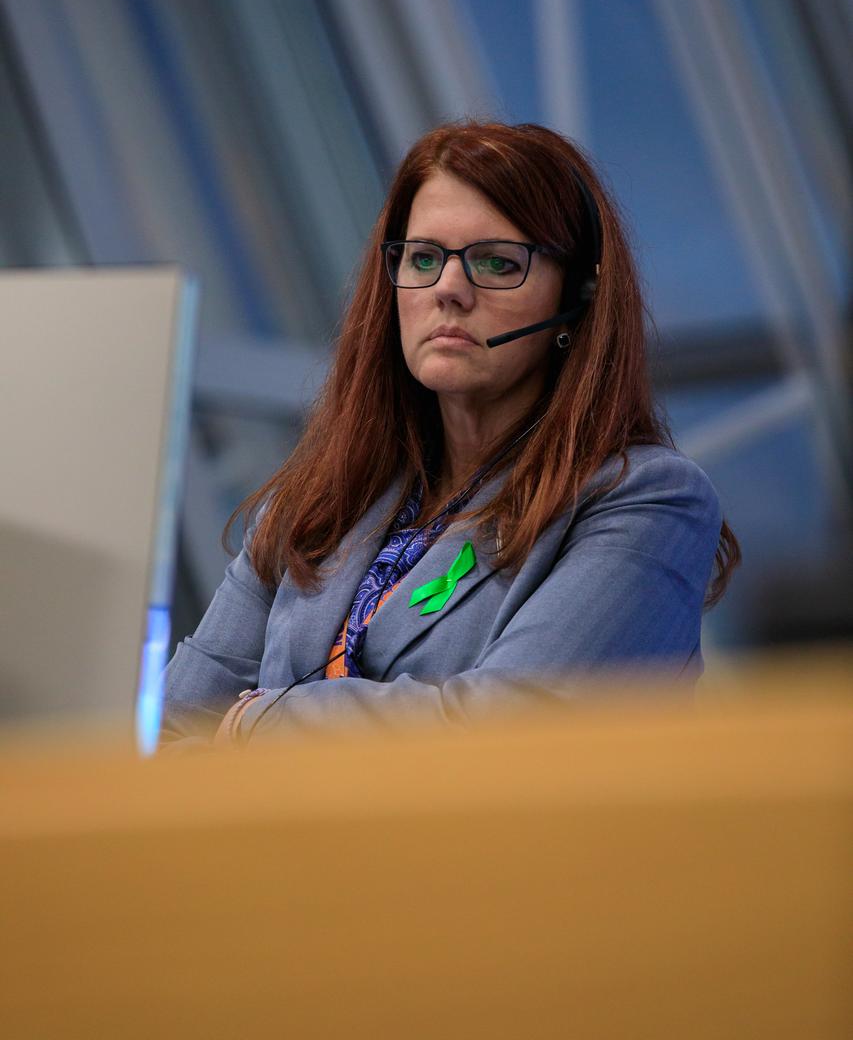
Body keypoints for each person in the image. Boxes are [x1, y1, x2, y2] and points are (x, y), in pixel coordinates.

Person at [161, 121, 739, 747]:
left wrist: (255, 723)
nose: (448, 290)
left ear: (578, 297)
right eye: (424, 258)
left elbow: (500, 737)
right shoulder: (318, 503)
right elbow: (168, 731)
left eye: (496, 262)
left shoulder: (647, 502)